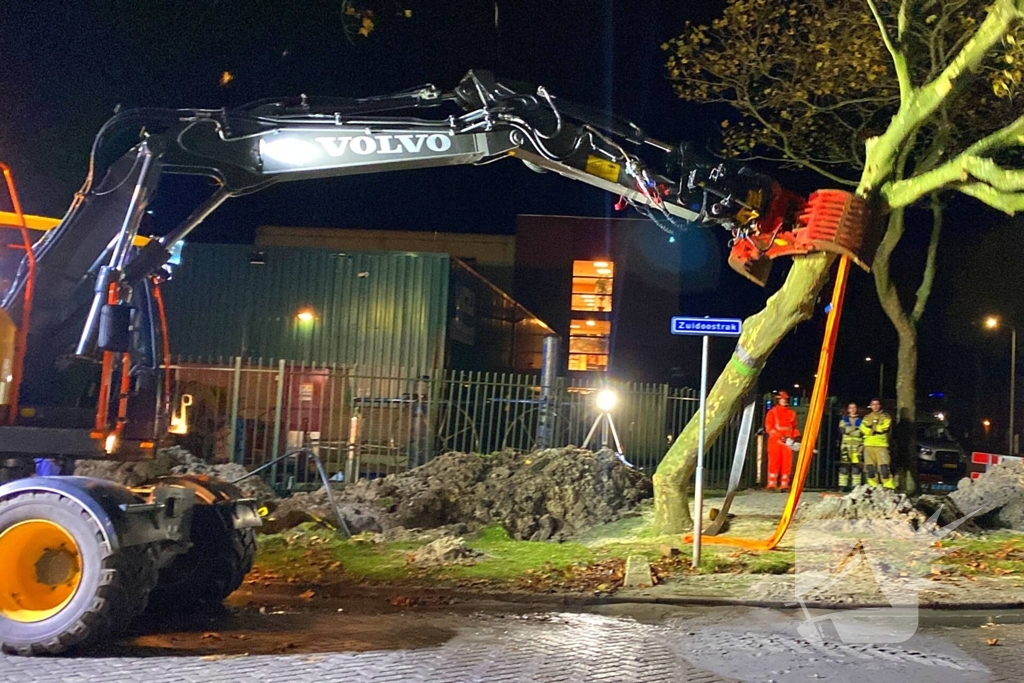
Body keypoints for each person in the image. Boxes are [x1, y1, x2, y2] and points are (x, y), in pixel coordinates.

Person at [764, 391, 800, 491]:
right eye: (782, 399)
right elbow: (769, 427)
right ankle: (772, 484)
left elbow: (794, 427)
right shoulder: (772, 412)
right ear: (778, 400)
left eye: (785, 399)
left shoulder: (791, 413)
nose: (784, 401)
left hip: (788, 442)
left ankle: (785, 484)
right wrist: (780, 436)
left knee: (787, 463)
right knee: (774, 462)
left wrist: (794, 438)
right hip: (775, 441)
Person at [860, 398, 895, 489]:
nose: (875, 406)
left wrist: (872, 429)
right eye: (873, 404)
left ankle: (888, 487)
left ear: (880, 405)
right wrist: (874, 430)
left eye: (877, 404)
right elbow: (862, 428)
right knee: (870, 468)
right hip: (868, 445)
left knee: (884, 468)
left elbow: (884, 427)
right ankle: (873, 486)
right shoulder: (867, 417)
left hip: (881, 445)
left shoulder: (886, 416)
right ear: (870, 406)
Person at [838, 402, 864, 491]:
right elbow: (842, 431)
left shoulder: (862, 420)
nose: (852, 410)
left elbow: (862, 432)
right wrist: (855, 429)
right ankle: (842, 485)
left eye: (854, 408)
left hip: (857, 448)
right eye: (851, 408)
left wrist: (849, 431)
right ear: (848, 410)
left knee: (856, 467)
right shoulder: (843, 420)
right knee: (844, 467)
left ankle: (856, 486)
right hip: (845, 447)